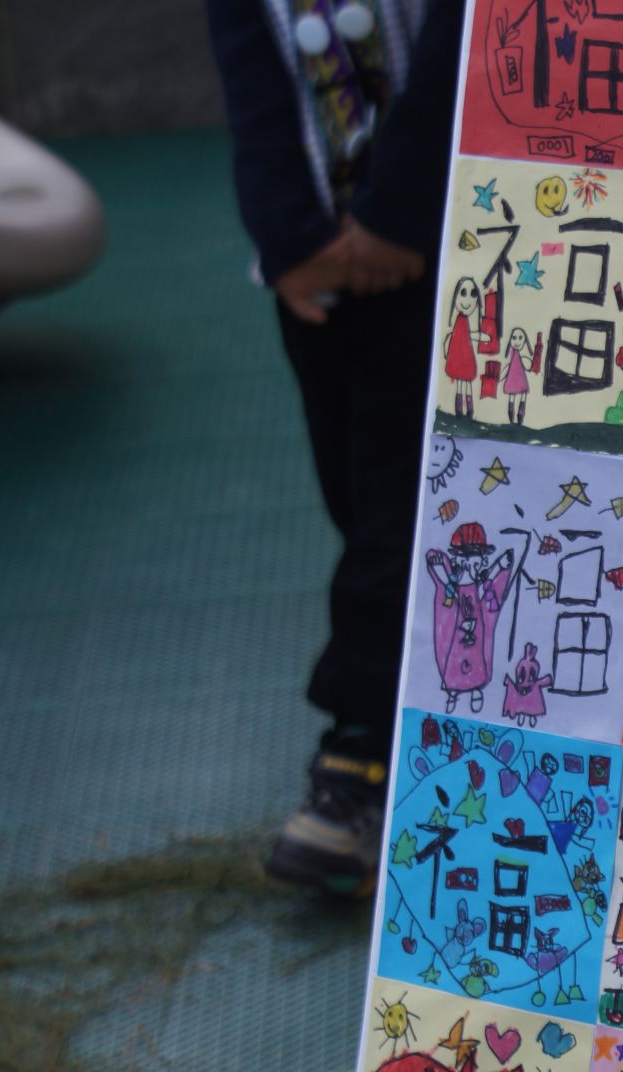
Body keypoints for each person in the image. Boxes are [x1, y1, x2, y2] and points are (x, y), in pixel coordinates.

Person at [206, 0, 467, 894]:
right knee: (356, 496)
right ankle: (408, 703)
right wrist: (290, 240)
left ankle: (357, 748)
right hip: (320, 273)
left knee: (404, 508)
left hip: (443, 248)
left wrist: (401, 214)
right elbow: (252, 81)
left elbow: (461, 48)